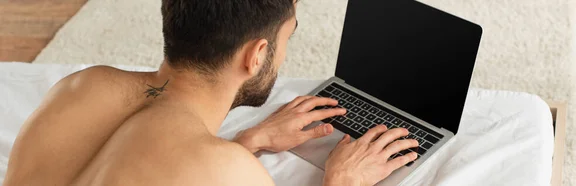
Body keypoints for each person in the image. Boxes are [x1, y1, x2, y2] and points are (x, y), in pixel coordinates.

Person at [3, 0, 419, 185]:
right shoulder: (229, 173)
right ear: (257, 56)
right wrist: (344, 183)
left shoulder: (78, 86)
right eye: (288, 37)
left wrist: (247, 141)